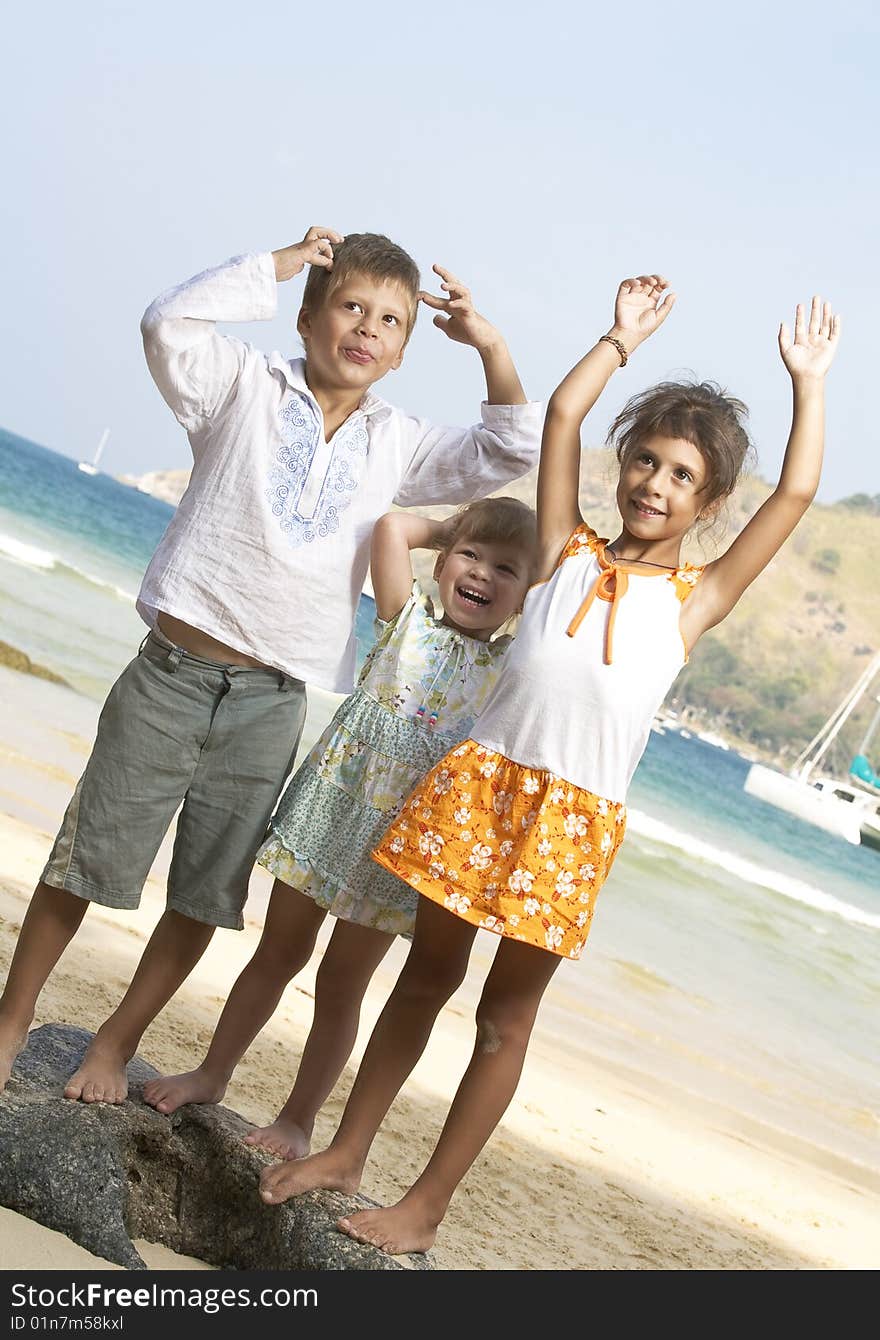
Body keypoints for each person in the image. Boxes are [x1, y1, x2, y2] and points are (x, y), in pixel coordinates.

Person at [257, 275, 841, 1254]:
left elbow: (796, 491)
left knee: (502, 1018)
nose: (653, 485)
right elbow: (565, 412)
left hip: (569, 823)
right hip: (479, 782)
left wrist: (808, 384)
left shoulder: (696, 598)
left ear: (709, 502)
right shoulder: (565, 546)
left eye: (680, 476)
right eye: (645, 461)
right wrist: (619, 338)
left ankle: (427, 1202)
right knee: (420, 978)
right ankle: (348, 1149)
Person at [0, 226, 543, 1101]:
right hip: (171, 670)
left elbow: (510, 451)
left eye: (391, 321)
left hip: (272, 704)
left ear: (404, 350)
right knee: (87, 859)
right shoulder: (242, 386)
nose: (367, 328)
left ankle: (114, 1043)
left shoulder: (397, 442)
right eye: (351, 307)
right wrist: (279, 264)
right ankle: (11, 1022)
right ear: (308, 317)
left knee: (205, 897)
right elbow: (166, 321)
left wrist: (490, 346)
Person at [141, 496, 536, 1154]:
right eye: (470, 556)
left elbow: (551, 604)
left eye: (507, 569)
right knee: (277, 954)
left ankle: (298, 1119)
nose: (483, 575)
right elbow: (393, 528)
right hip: (330, 816)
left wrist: (524, 562)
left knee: (342, 982)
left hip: (398, 850)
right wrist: (453, 530)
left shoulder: (509, 671)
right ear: (440, 566)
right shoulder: (403, 620)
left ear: (527, 596)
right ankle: (213, 1072)